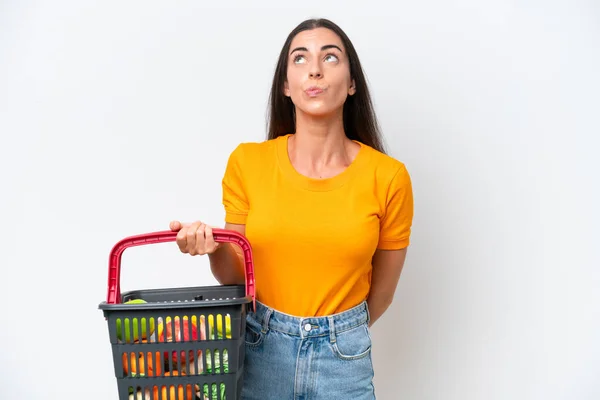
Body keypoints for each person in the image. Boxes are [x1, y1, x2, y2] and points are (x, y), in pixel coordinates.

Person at [169, 18, 413, 400]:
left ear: (352, 83)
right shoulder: (248, 163)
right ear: (286, 85)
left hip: (343, 361)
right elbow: (237, 278)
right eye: (300, 58)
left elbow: (380, 296)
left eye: (330, 57)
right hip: (260, 349)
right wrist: (215, 249)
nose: (315, 68)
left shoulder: (389, 177)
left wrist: (340, 332)